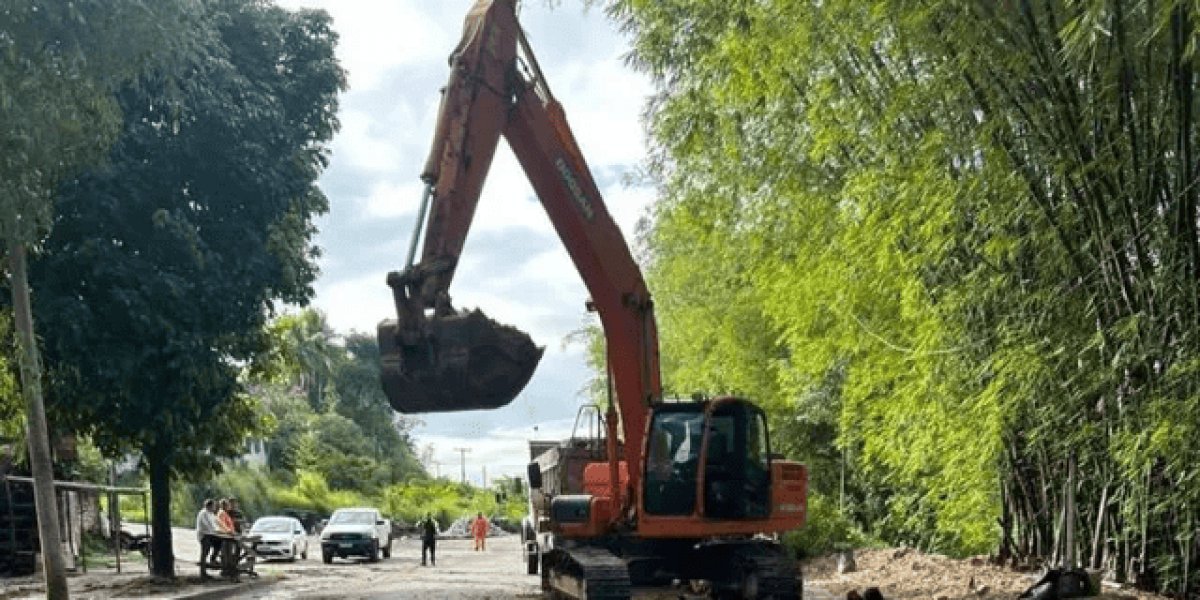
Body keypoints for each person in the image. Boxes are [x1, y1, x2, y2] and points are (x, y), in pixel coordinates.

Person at [195, 499, 220, 568]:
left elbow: (216, 524)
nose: (215, 507)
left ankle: (213, 559)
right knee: (206, 549)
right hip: (204, 535)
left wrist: (220, 530)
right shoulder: (203, 513)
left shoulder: (211, 514)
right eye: (214, 506)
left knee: (219, 542)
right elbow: (206, 525)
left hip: (210, 534)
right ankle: (203, 569)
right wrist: (216, 531)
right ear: (210, 506)